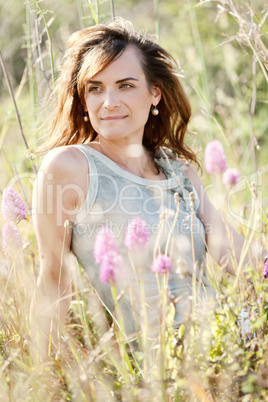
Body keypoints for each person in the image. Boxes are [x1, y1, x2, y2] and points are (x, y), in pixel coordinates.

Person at [30, 18, 265, 358]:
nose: (108, 101)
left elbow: (239, 255)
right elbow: (53, 279)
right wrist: (41, 381)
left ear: (154, 91)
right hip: (161, 365)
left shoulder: (178, 170)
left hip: (230, 343)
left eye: (125, 85)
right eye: (95, 88)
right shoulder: (69, 167)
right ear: (82, 99)